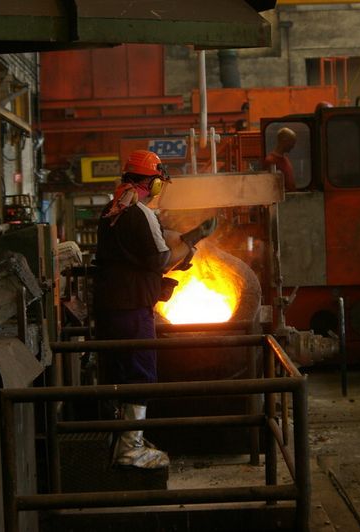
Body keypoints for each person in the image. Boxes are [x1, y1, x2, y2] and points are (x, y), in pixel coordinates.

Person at [94, 149, 217, 469]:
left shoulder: (112, 209)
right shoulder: (140, 212)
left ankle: (123, 439)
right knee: (141, 375)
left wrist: (177, 251)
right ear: (151, 182)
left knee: (120, 374)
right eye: (160, 182)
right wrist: (192, 242)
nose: (161, 188)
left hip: (110, 308)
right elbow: (159, 258)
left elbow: (132, 260)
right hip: (132, 309)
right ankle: (130, 450)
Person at [264, 127, 297, 192]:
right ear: (284, 140)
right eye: (292, 142)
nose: (293, 146)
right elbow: (272, 188)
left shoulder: (285, 159)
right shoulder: (271, 161)